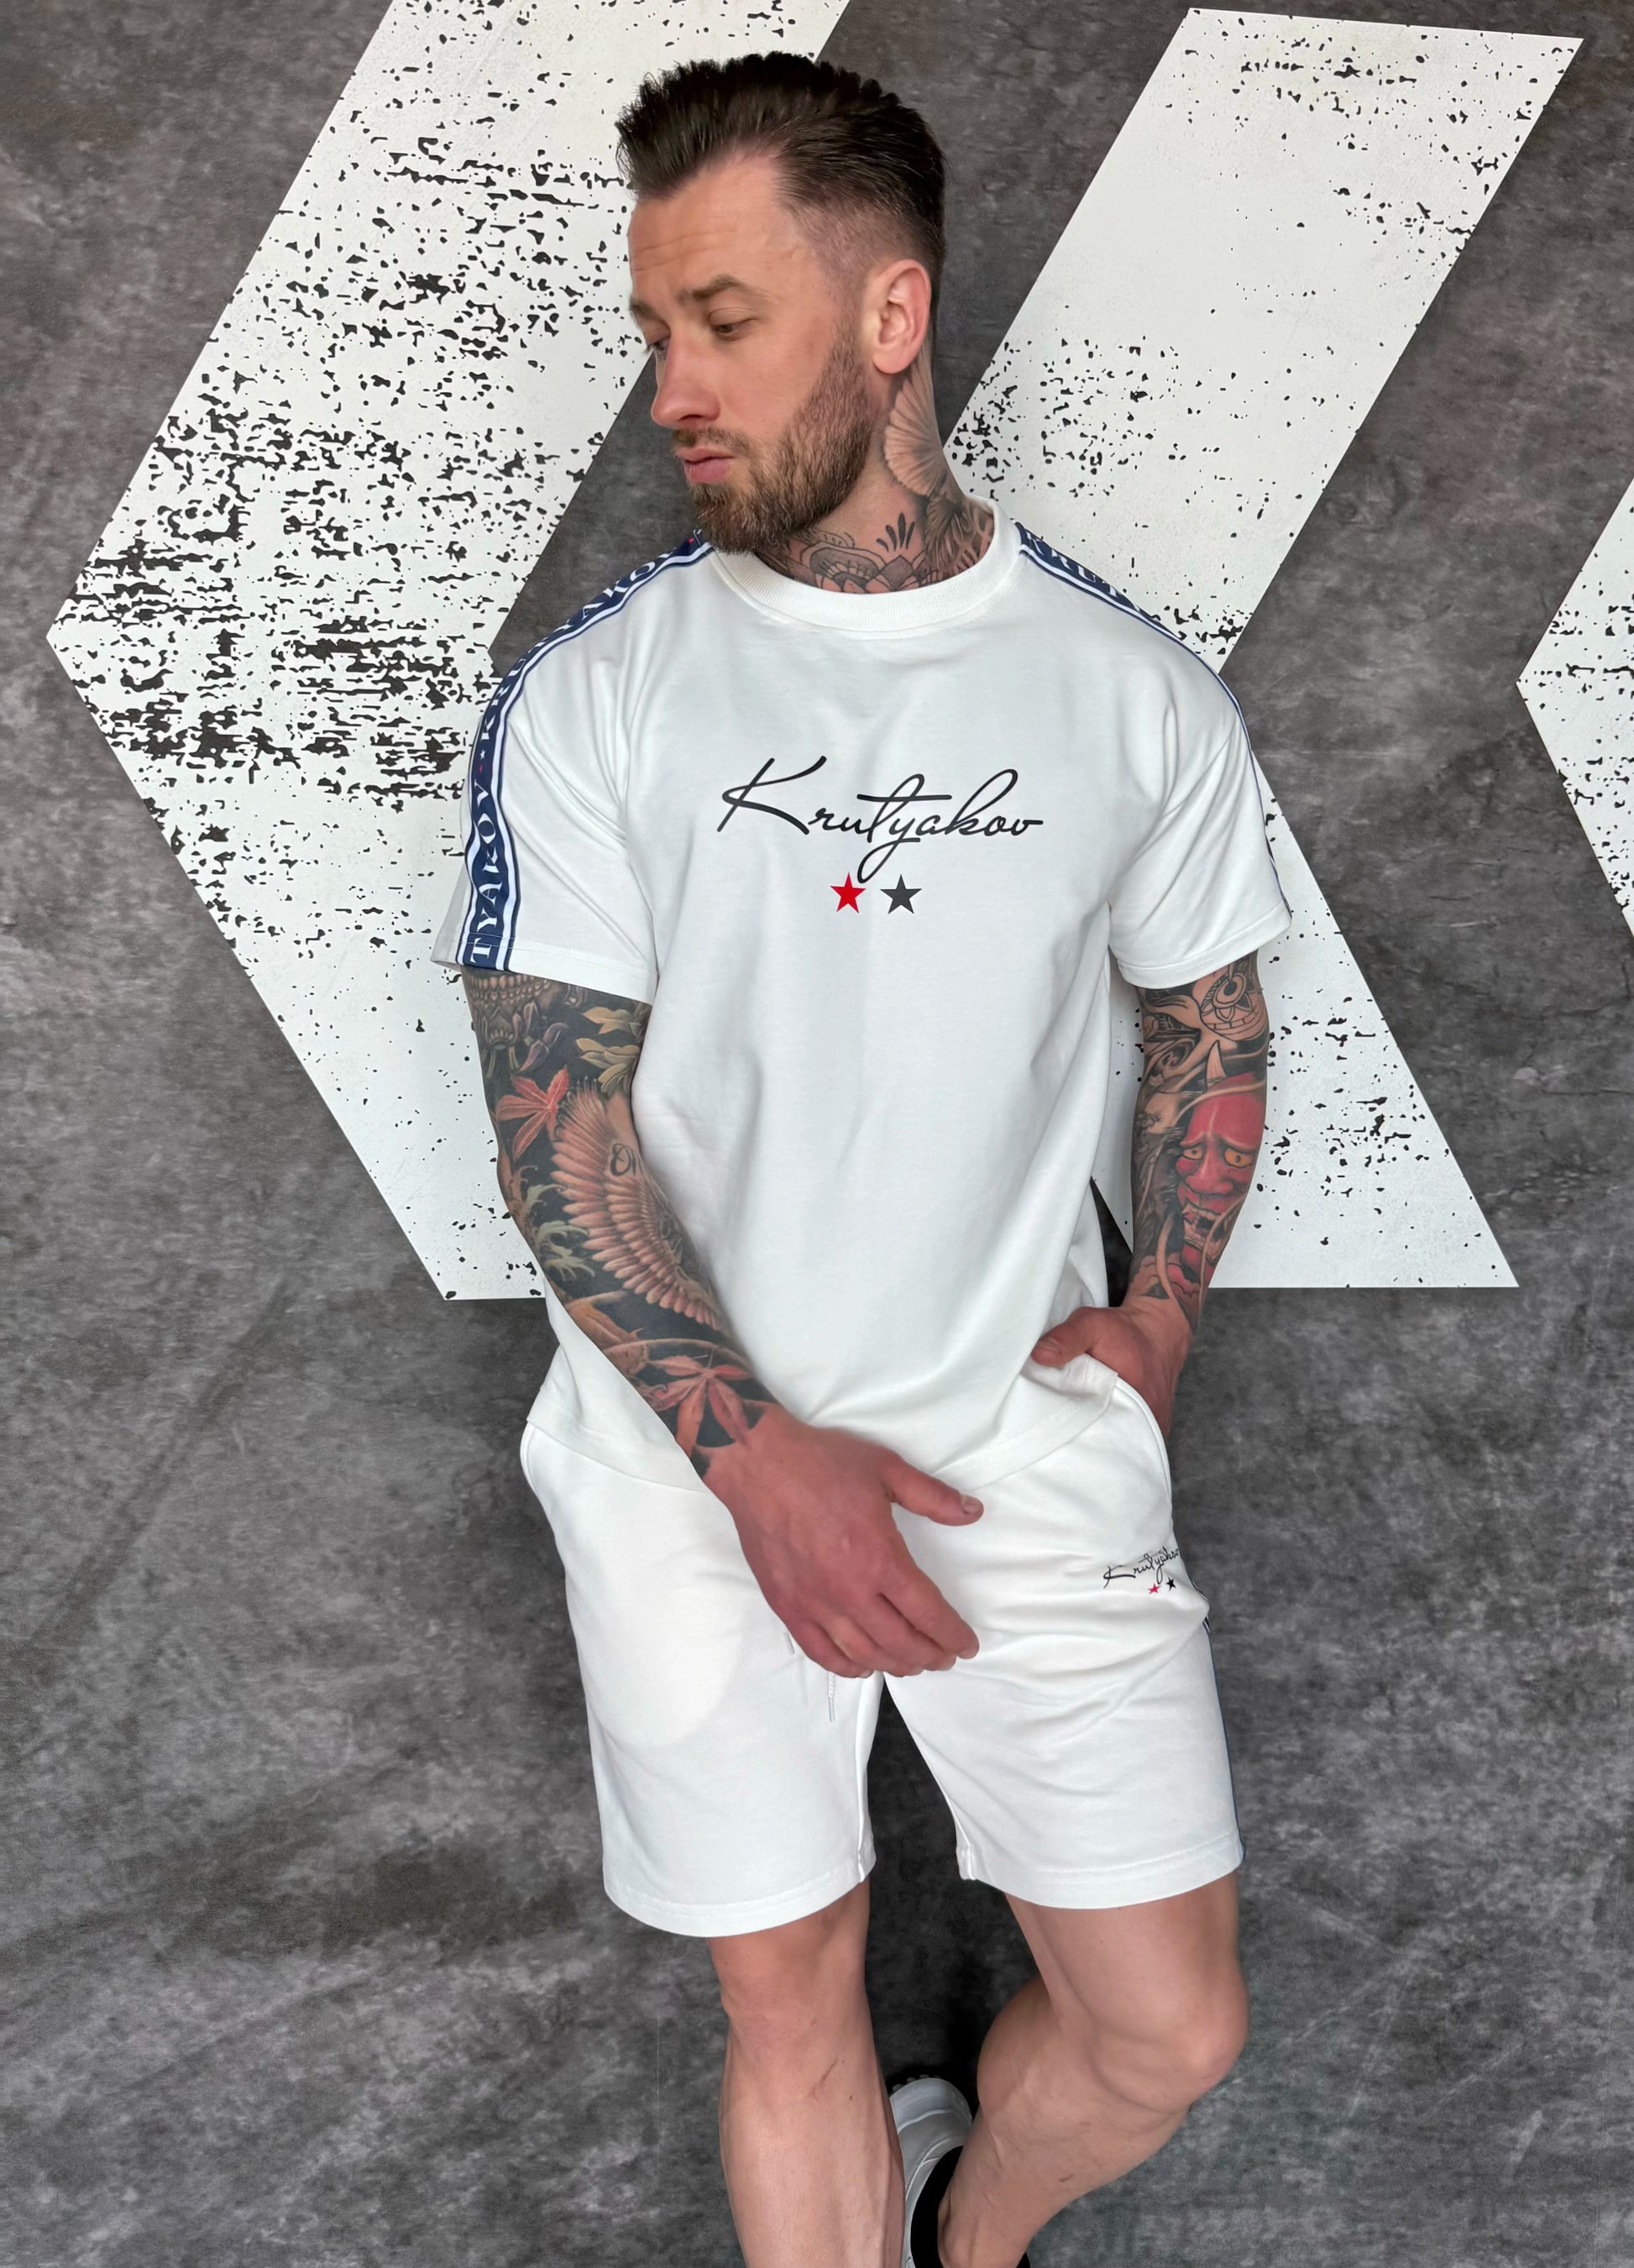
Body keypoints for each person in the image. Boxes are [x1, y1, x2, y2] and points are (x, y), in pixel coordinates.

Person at [432, 51, 1291, 2268]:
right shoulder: (595, 697)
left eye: (724, 321)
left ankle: (960, 2234)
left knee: (1166, 2031)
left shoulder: (1128, 696)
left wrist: (1162, 1324)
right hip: (682, 1466)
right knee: (789, 2000)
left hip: (1022, 1441)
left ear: (890, 314)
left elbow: (1207, 1020)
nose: (671, 391)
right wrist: (748, 1456)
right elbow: (554, 1120)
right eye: (656, 330)